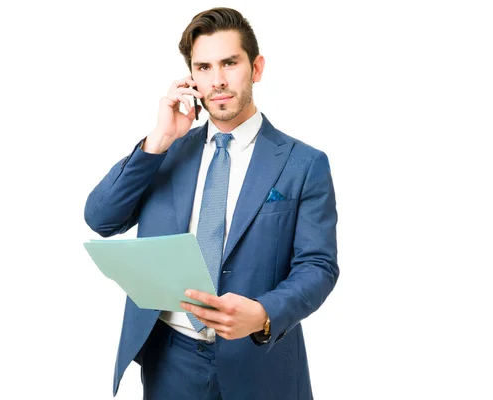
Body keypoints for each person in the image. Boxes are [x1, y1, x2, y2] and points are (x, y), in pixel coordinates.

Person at [84, 7, 338, 400]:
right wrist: (158, 140)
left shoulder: (304, 163)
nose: (217, 81)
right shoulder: (166, 151)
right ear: (190, 77)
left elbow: (318, 265)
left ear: (256, 68)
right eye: (203, 67)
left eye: (229, 63)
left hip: (261, 361)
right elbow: (101, 218)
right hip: (170, 360)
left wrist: (264, 313)